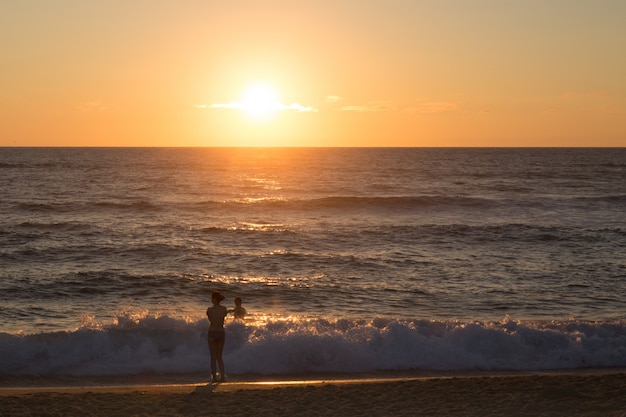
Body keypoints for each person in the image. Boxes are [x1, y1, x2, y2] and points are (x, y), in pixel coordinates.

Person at [206, 291, 228, 382]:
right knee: (219, 356)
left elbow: (211, 320)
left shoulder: (209, 310)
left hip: (212, 332)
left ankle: (214, 377)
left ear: (214, 299)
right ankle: (222, 376)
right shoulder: (224, 309)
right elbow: (223, 318)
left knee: (213, 357)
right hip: (221, 332)